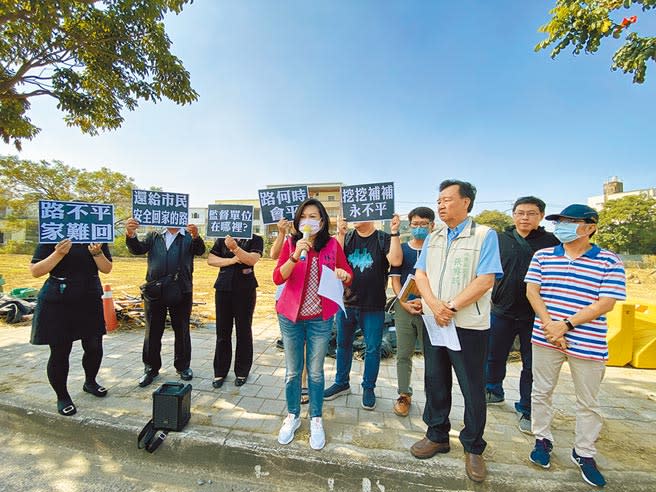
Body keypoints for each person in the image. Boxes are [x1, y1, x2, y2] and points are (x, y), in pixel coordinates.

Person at [525, 204, 625, 488]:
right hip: (546, 336)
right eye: (560, 222)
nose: (562, 226)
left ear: (590, 227)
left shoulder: (609, 260)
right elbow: (533, 291)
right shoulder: (543, 256)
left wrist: (566, 325)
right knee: (541, 391)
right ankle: (542, 439)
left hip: (588, 340)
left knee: (588, 401)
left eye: (570, 222)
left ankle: (584, 452)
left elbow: (606, 302)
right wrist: (550, 326)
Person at [410, 179, 502, 484]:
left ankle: (474, 446)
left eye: (447, 199)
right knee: (435, 379)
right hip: (435, 321)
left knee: (472, 386)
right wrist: (434, 305)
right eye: (439, 200)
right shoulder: (435, 237)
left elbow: (485, 279)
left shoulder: (484, 235)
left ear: (466, 202)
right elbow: (420, 273)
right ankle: (437, 434)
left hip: (467, 326)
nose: (441, 205)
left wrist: (450, 306)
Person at [273, 198, 353, 450]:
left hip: (320, 318)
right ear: (298, 221)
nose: (309, 221)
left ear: (321, 221)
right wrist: (296, 253)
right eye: (304, 216)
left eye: (314, 216)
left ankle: (316, 418)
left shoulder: (331, 245)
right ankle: (293, 415)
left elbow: (347, 273)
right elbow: (278, 277)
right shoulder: (290, 243)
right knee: (293, 372)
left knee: (316, 372)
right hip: (290, 318)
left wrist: (344, 275)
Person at [485, 196, 559, 434]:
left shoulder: (552, 243)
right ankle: (493, 390)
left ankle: (527, 408)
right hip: (501, 310)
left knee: (531, 363)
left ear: (541, 216)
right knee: (494, 355)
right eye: (520, 213)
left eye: (531, 213)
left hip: (535, 315)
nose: (525, 217)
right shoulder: (499, 239)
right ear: (513, 215)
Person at [323, 214, 402, 410]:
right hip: (347, 303)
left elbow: (396, 260)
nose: (353, 218)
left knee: (373, 349)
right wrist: (340, 234)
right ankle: (342, 383)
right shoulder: (347, 237)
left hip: (373, 305)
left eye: (358, 214)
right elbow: (334, 261)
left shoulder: (383, 238)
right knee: (343, 345)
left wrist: (395, 232)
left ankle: (369, 387)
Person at [29, 238, 113, 416]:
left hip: (89, 296)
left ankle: (90, 382)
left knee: (94, 345)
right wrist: (59, 253)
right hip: (59, 297)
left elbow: (106, 269)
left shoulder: (96, 235)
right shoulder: (54, 233)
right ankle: (62, 396)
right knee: (60, 350)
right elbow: (36, 271)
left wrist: (97, 253)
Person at [126, 218, 206, 387]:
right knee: (153, 330)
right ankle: (150, 368)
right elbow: (137, 249)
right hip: (155, 289)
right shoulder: (154, 235)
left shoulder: (187, 236)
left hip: (182, 289)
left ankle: (183, 366)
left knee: (182, 329)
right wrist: (131, 234)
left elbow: (200, 251)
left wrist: (196, 236)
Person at [389, 206, 435, 417]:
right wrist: (403, 301)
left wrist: (429, 303)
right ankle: (404, 394)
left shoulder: (438, 251)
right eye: (415, 224)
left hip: (431, 309)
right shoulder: (403, 250)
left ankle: (435, 398)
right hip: (404, 307)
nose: (419, 228)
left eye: (423, 224)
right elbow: (395, 278)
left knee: (433, 356)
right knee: (403, 354)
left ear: (432, 226)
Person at [207, 231, 263, 388]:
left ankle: (242, 371)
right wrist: (232, 260)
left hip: (245, 289)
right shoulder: (222, 238)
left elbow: (251, 260)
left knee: (243, 331)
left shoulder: (255, 239)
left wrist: (235, 249)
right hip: (223, 288)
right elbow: (211, 260)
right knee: (222, 332)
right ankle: (220, 371)